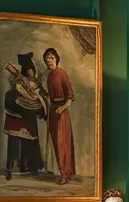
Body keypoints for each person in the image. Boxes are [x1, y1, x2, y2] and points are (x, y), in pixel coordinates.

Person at [3, 54, 47, 179]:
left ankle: (29, 167)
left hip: (29, 116)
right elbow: (14, 96)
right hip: (17, 116)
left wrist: (39, 99)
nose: (30, 73)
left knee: (30, 142)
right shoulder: (17, 84)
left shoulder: (37, 84)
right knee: (15, 143)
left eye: (32, 70)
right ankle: (11, 168)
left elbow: (42, 96)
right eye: (28, 71)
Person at [42, 47, 75, 185]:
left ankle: (65, 174)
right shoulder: (49, 75)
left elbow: (71, 96)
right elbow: (50, 96)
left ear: (56, 59)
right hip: (52, 111)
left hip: (61, 111)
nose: (49, 60)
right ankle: (60, 171)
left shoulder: (62, 74)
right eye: (47, 58)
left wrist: (62, 108)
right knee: (55, 142)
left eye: (51, 58)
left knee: (63, 143)